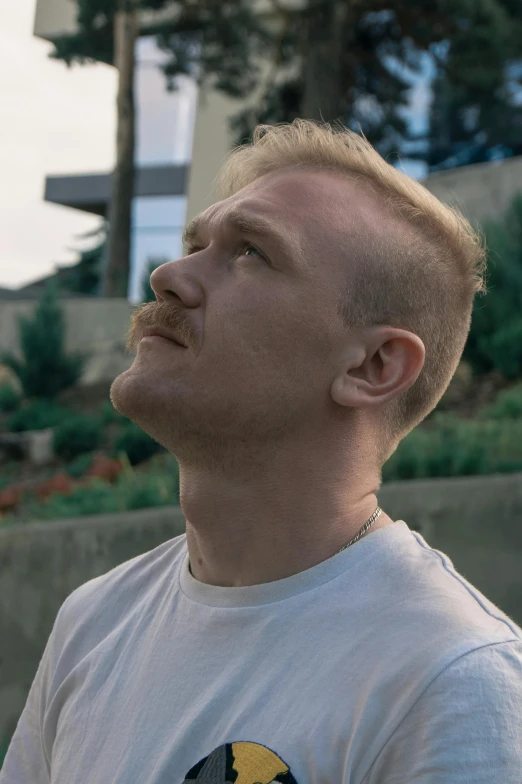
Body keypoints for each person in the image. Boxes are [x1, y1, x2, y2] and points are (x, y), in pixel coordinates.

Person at [2, 119, 521, 784]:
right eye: (195, 244)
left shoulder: (453, 682)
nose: (168, 276)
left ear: (374, 365)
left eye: (251, 252)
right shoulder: (94, 619)